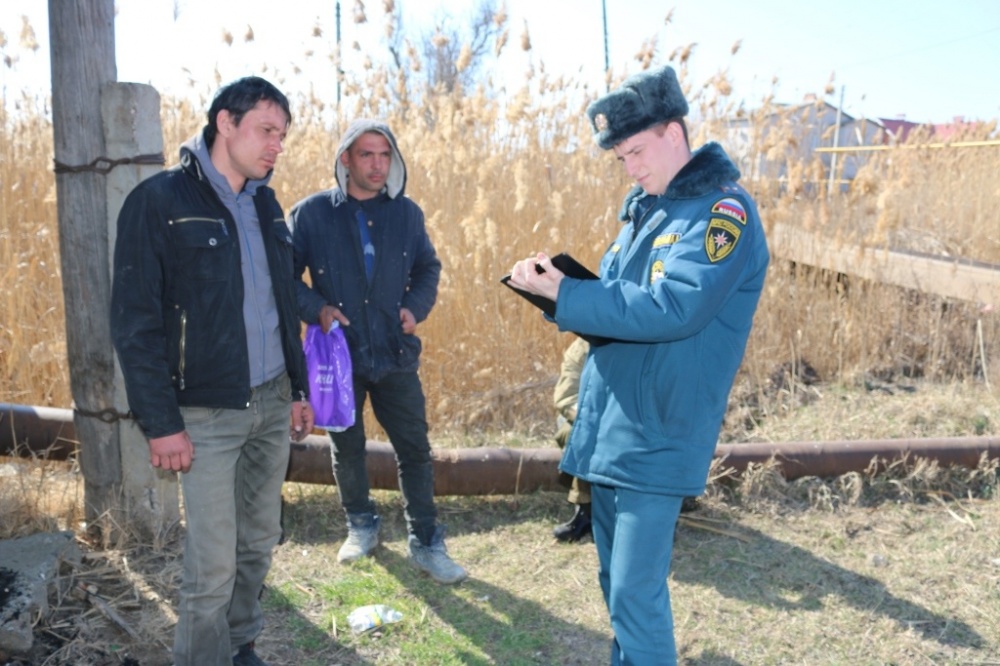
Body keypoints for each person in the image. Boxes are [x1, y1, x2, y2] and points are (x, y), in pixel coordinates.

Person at [508, 65, 769, 665]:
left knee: (635, 594)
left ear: (674, 133)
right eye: (620, 157)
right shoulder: (647, 211)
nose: (629, 167)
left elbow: (674, 307)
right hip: (612, 421)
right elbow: (620, 308)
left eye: (636, 151)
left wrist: (571, 296)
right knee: (615, 585)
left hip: (659, 429)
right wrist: (557, 293)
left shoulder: (722, 211)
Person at [110, 76, 314, 666]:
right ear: (226, 122)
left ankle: (239, 643)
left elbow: (281, 302)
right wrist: (161, 423)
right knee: (213, 561)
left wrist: (298, 389)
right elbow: (134, 323)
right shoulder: (159, 202)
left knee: (259, 541)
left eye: (282, 134)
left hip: (271, 402)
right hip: (204, 415)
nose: (277, 145)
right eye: (266, 130)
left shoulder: (266, 205)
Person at [288, 119, 467, 585]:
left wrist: (414, 308)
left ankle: (425, 541)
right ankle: (361, 525)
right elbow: (283, 277)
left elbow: (428, 268)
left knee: (414, 448)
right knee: (346, 447)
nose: (377, 165)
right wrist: (317, 308)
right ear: (345, 159)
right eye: (366, 154)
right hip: (338, 356)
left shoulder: (406, 214)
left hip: (394, 352)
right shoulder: (310, 215)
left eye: (385, 155)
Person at [552, 336, 592, 542]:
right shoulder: (582, 348)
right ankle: (585, 511)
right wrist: (595, 420)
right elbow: (567, 399)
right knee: (580, 436)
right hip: (586, 418)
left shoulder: (644, 336)